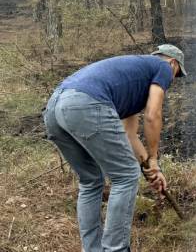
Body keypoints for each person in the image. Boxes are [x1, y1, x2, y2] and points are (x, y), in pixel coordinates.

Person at [42, 44, 187, 251]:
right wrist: (154, 158)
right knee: (126, 176)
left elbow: (129, 135)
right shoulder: (162, 67)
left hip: (55, 109)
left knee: (91, 181)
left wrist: (151, 169)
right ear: (173, 63)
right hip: (85, 103)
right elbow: (153, 115)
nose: (173, 80)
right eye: (177, 74)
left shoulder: (132, 81)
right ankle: (116, 249)